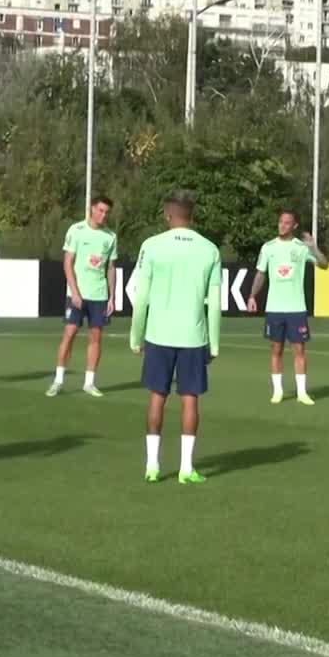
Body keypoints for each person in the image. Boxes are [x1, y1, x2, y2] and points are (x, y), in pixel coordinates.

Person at [130, 191, 222, 484]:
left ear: (167, 215)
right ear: (192, 216)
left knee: (157, 397)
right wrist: (215, 343)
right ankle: (185, 468)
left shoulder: (152, 246)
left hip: (158, 334)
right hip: (193, 337)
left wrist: (136, 335)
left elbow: (140, 295)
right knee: (189, 399)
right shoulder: (209, 250)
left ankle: (153, 465)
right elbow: (215, 303)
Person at [247, 211, 329, 405]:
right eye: (280, 222)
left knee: (299, 350)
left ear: (294, 226)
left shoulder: (301, 248)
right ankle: (278, 391)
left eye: (287, 223)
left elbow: (325, 265)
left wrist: (314, 248)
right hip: (275, 308)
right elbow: (261, 274)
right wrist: (252, 296)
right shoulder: (269, 248)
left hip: (296, 308)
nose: (282, 226)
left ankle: (302, 392)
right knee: (276, 350)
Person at [47, 196, 118, 398]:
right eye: (100, 210)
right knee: (69, 334)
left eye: (106, 212)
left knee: (96, 337)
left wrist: (112, 297)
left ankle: (89, 382)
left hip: (99, 296)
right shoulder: (76, 230)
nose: (103, 215)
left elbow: (111, 268)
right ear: (92, 209)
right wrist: (75, 292)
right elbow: (67, 263)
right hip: (77, 294)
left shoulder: (110, 236)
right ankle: (58, 381)